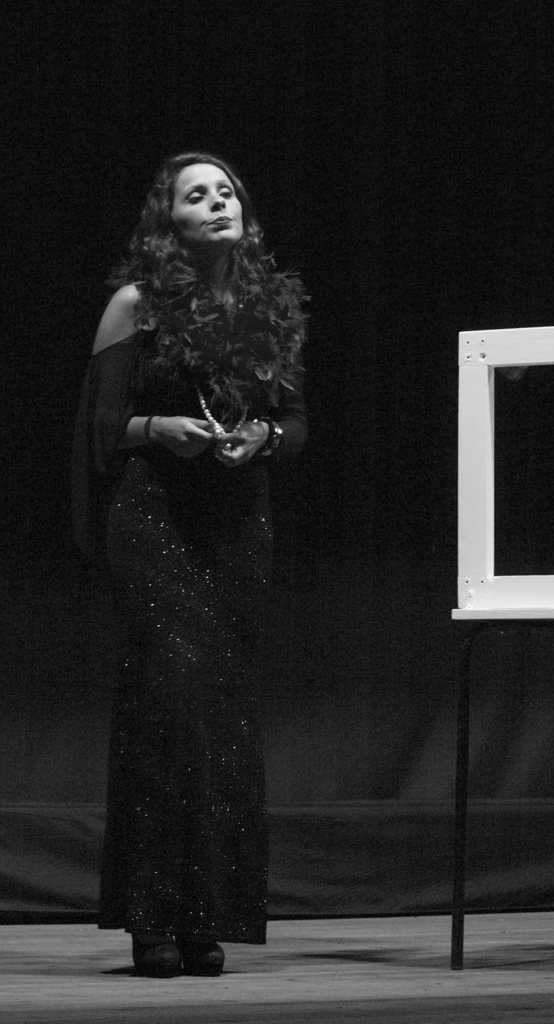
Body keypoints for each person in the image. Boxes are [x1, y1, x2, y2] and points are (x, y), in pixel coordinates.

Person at [72, 152, 308, 977]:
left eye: (226, 191)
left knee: (222, 716)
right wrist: (159, 430)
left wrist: (262, 437)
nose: (216, 202)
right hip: (155, 519)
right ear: (167, 222)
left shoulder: (269, 309)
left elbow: (296, 423)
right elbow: (100, 427)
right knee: (164, 705)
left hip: (237, 523)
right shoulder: (135, 305)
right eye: (195, 195)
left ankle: (207, 917)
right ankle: (151, 920)